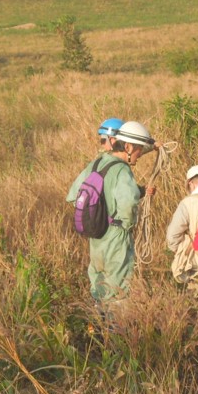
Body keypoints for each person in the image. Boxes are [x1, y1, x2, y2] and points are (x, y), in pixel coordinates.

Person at [68, 121, 155, 304]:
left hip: (97, 236)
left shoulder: (97, 163)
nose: (139, 156)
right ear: (128, 147)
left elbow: (74, 195)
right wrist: (128, 226)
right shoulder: (123, 170)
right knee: (117, 290)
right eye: (139, 150)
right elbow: (128, 203)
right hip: (116, 236)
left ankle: (98, 327)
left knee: (98, 283)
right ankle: (114, 330)